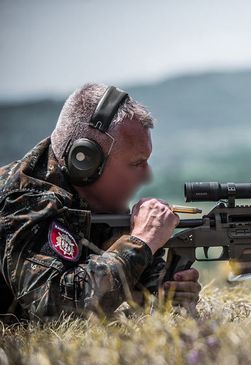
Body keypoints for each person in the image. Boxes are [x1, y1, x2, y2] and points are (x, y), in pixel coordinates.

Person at [0, 83, 201, 322]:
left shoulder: (96, 198)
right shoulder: (22, 199)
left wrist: (169, 291)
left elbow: (143, 292)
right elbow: (54, 309)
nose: (147, 176)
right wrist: (141, 242)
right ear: (85, 161)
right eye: (136, 164)